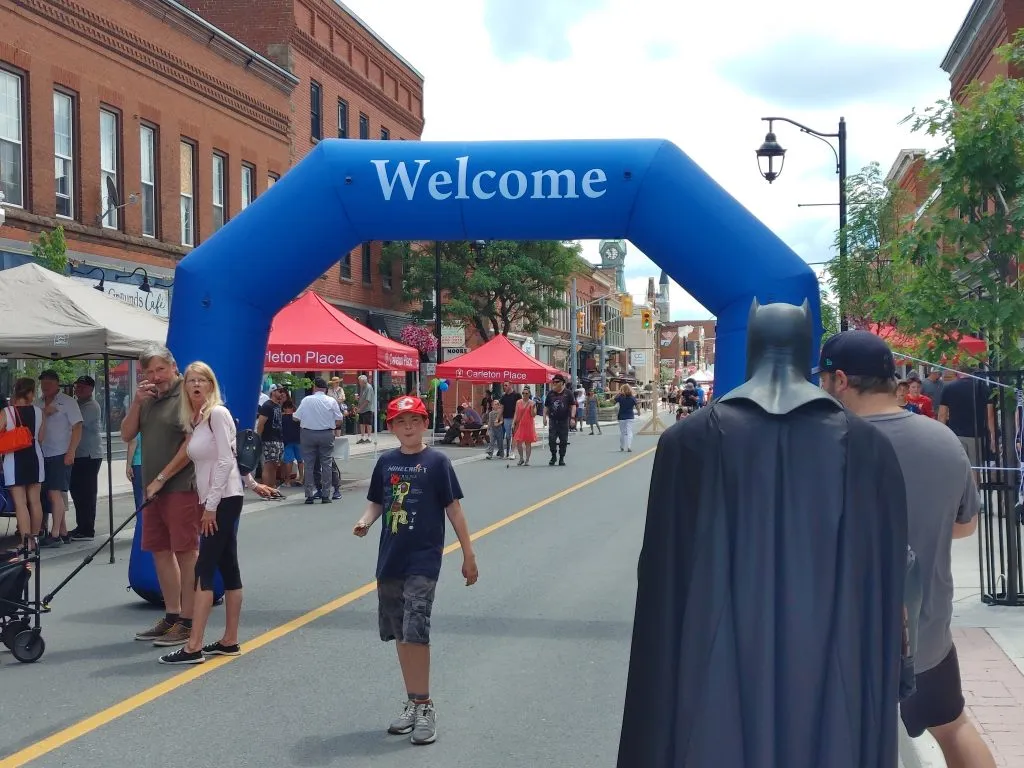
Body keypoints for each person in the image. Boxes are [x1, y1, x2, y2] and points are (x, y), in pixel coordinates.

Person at [818, 330, 995, 768]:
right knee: (954, 728)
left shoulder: (827, 445)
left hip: (844, 634)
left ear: (840, 380)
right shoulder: (943, 440)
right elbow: (966, 525)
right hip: (926, 632)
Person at [352, 395, 479, 746]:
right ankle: (413, 699)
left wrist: (468, 554)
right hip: (390, 560)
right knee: (400, 633)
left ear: (425, 423)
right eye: (400, 422)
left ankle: (425, 706)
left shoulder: (437, 462)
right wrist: (364, 521)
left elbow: (454, 510)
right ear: (391, 428)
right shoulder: (386, 462)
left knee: (416, 629)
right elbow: (378, 501)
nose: (408, 428)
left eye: (414, 421)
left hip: (423, 561)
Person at [157, 362, 273, 665]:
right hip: (220, 496)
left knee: (203, 570)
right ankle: (229, 640)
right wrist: (252, 482)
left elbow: (223, 461)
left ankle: (193, 645)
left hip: (220, 500)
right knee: (229, 567)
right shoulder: (198, 418)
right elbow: (232, 454)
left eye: (202, 380)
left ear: (211, 384)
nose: (196, 385)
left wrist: (210, 507)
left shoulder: (217, 414)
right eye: (191, 381)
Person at [120, 343, 202, 647]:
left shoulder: (187, 394)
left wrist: (162, 477)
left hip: (180, 487)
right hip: (152, 489)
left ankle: (189, 621)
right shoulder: (149, 398)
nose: (155, 376)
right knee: (159, 551)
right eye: (149, 371)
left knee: (186, 552)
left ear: (173, 366)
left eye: (160, 369)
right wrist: (137, 404)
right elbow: (126, 435)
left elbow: (190, 446)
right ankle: (172, 615)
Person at [38, 370, 82, 546]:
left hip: (60, 452)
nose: (45, 386)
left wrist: (71, 451)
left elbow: (77, 427)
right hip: (43, 452)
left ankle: (55, 534)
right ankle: (63, 531)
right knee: (51, 494)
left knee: (55, 492)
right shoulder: (38, 403)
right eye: (43, 383)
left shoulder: (68, 402)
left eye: (49, 383)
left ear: (57, 384)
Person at [0, 377, 45, 547]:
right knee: (35, 501)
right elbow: (41, 438)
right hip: (35, 457)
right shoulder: (39, 412)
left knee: (20, 503)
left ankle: (26, 542)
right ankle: (35, 538)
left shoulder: (7, 412)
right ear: (31, 392)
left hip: (14, 459)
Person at [293, 377, 343, 504]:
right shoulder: (331, 401)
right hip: (326, 433)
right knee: (326, 464)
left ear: (314, 387)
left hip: (308, 433)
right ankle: (326, 495)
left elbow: (296, 417)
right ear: (326, 389)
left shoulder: (306, 400)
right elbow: (339, 419)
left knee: (309, 464)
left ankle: (309, 495)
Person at [69, 375, 103, 541]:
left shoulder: (91, 406)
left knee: (87, 492)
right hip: (78, 454)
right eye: (77, 386)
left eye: (83, 387)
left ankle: (87, 528)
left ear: (91, 389)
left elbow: (76, 423)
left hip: (89, 455)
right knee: (77, 491)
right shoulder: (77, 404)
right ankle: (81, 525)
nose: (78, 389)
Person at [543, 374, 576, 466]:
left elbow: (573, 405)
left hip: (564, 420)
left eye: (557, 382)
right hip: (553, 420)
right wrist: (544, 418)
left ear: (562, 383)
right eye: (554, 382)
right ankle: (553, 456)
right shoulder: (550, 393)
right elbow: (546, 406)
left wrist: (572, 418)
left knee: (563, 440)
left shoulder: (568, 393)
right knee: (551, 439)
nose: (554, 383)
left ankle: (561, 458)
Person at [511, 386, 538, 466]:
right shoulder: (518, 402)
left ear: (529, 394)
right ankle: (521, 458)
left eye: (526, 393)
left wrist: (532, 408)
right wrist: (513, 422)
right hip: (520, 424)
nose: (524, 395)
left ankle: (527, 460)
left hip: (528, 424)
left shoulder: (532, 403)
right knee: (518, 442)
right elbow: (516, 413)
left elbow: (533, 415)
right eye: (523, 393)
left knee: (528, 443)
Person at [497, 382, 521, 458]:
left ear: (511, 385)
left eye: (506, 385)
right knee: (508, 436)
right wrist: (497, 418)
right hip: (506, 418)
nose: (505, 387)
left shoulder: (517, 395)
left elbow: (520, 407)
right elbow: (501, 408)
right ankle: (508, 451)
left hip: (515, 417)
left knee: (514, 434)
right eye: (504, 385)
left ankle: (512, 452)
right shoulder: (503, 397)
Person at [614, 384, 640, 452]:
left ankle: (622, 446)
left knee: (622, 432)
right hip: (630, 416)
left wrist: (618, 393)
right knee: (629, 431)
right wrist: (639, 412)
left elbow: (613, 400)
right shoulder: (632, 398)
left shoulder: (620, 397)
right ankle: (629, 446)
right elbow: (637, 405)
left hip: (621, 416)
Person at [355, 374, 375, 443]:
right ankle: (362, 437)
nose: (359, 383)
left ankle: (369, 437)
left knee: (368, 423)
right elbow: (362, 398)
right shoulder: (362, 387)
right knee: (362, 423)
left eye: (360, 381)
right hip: (362, 409)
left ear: (364, 381)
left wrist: (360, 408)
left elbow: (367, 400)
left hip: (367, 408)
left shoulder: (368, 387)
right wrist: (358, 399)